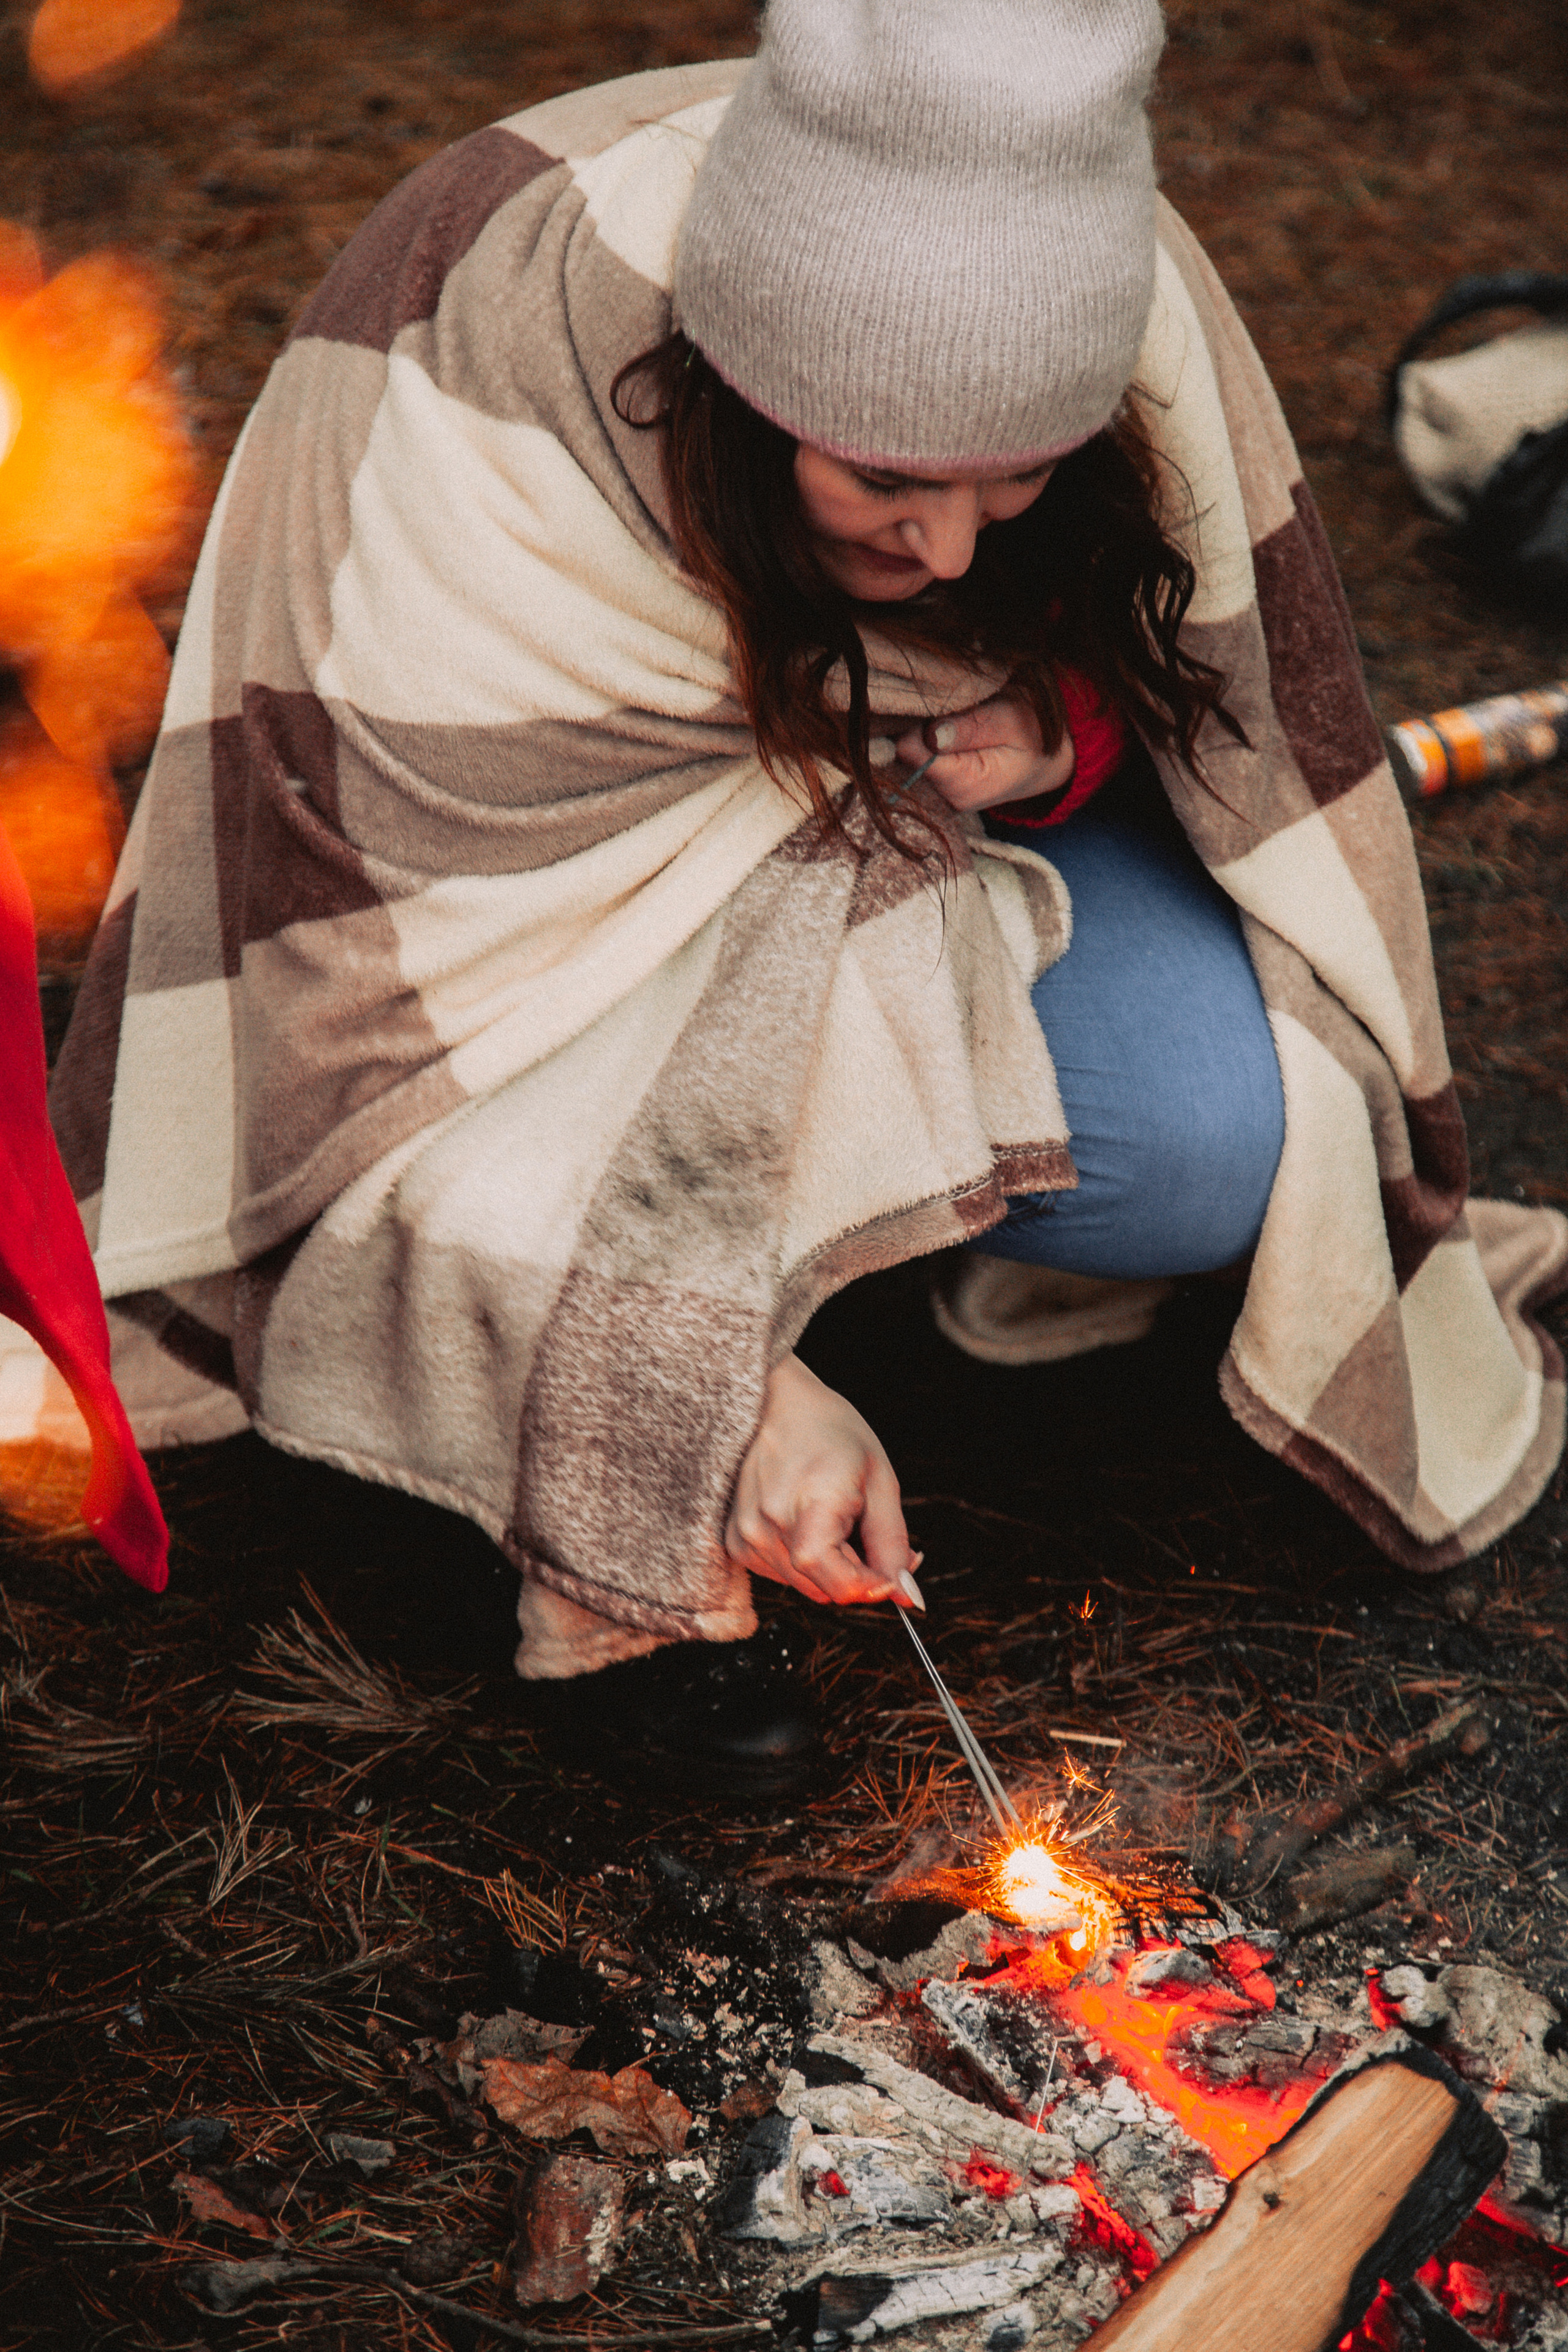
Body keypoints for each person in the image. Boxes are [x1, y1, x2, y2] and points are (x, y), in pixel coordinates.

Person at [45, 0, 1568, 1789]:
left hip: (919, 869)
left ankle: (873, 1265)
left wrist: (1055, 733)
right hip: (527, 941)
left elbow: (1208, 711)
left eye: (1021, 481)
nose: (950, 552)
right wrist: (717, 1382)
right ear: (744, 395)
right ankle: (640, 1480)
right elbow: (382, 1004)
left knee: (1214, 1139)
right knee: (569, 1211)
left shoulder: (1122, 306)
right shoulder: (477, 402)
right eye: (888, 484)